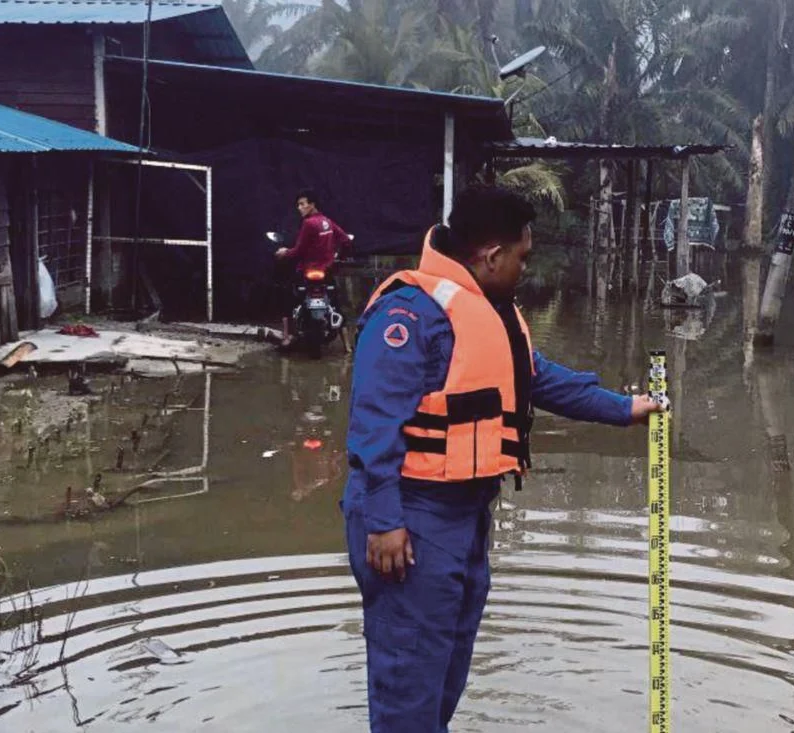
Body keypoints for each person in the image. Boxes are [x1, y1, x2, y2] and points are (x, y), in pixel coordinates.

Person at [341, 184, 663, 732]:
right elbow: (373, 424)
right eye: (522, 258)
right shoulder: (410, 314)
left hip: (464, 518)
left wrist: (627, 408)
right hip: (410, 519)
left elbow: (542, 380)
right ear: (491, 256)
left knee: (441, 679)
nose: (524, 270)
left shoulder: (493, 315)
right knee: (407, 689)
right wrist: (384, 521)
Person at [274, 188, 352, 348]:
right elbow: (345, 240)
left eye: (302, 204)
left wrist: (284, 252)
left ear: (312, 205)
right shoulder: (327, 222)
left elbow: (299, 250)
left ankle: (287, 337)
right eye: (298, 205)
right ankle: (348, 346)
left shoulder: (308, 223)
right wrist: (339, 257)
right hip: (327, 271)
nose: (299, 208)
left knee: (288, 299)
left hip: (307, 271)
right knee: (336, 303)